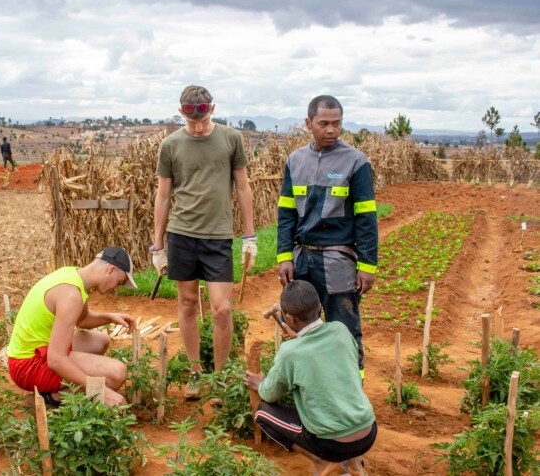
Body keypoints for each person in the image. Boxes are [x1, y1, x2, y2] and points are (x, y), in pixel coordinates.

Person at [151, 85, 256, 399]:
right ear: (182, 112)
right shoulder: (170, 145)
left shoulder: (231, 139)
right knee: (186, 303)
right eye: (191, 122)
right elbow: (163, 195)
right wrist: (157, 245)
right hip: (182, 234)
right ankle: (196, 371)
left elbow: (243, 188)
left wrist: (250, 236)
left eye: (202, 121)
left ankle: (222, 377)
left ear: (212, 109)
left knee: (222, 310)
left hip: (218, 236)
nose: (197, 128)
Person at [276, 95, 378, 378]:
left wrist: (367, 266)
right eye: (324, 123)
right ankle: (304, 385)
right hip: (301, 260)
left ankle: (350, 388)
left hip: (338, 261)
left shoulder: (356, 162)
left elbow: (367, 218)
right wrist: (284, 256)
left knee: (343, 328)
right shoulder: (295, 161)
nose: (331, 129)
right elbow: (286, 214)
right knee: (297, 326)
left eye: (337, 123)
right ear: (309, 123)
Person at [245, 280, 377, 473]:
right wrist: (302, 339)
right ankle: (355, 464)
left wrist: (261, 384)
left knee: (263, 413)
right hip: (368, 432)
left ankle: (322, 462)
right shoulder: (340, 330)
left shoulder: (290, 352)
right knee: (343, 396)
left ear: (289, 318)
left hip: (332, 444)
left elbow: (270, 394)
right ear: (320, 306)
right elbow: (326, 357)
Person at [7, 247, 138, 407]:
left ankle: (57, 389)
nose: (117, 289)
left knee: (100, 340)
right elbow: (55, 360)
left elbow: (82, 320)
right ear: (111, 269)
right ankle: (51, 399)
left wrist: (110, 317)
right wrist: (101, 391)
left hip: (35, 350)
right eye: (120, 282)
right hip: (27, 366)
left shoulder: (71, 275)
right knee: (117, 373)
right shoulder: (71, 295)